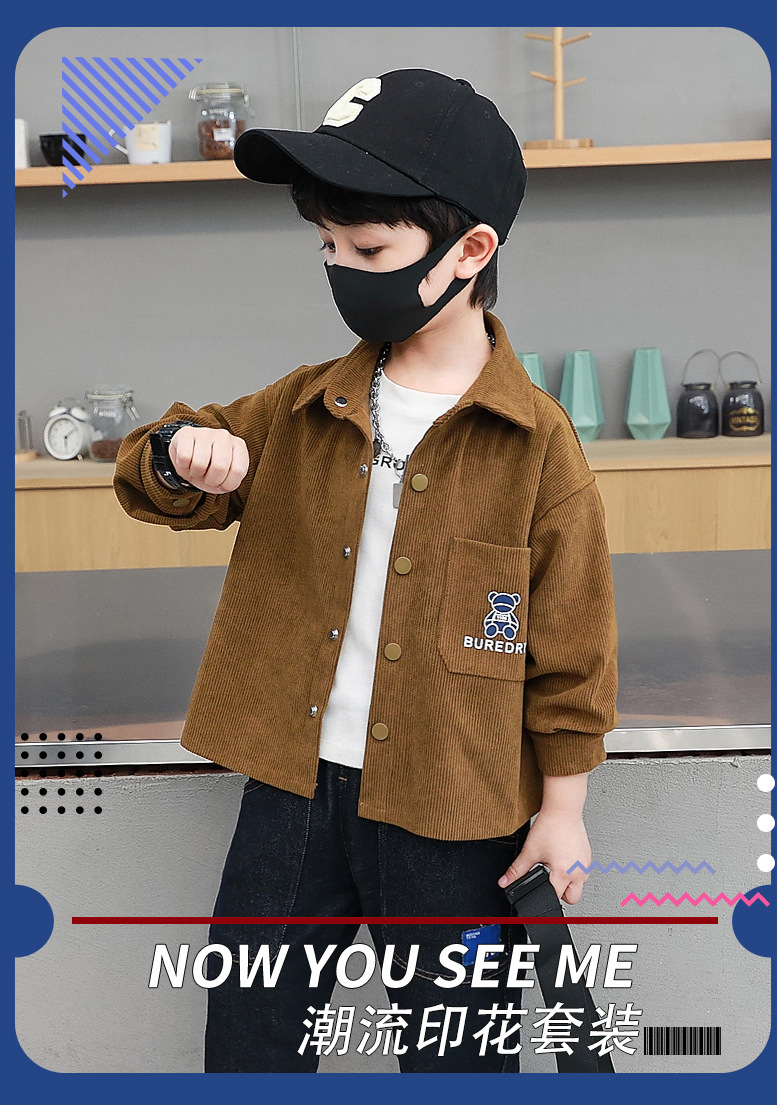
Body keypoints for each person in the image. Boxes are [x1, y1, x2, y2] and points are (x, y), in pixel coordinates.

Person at [113, 68, 619, 1074]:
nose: (343, 269)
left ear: (471, 250)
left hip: (454, 810)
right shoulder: (301, 406)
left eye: (370, 249)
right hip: (291, 792)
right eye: (328, 248)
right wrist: (179, 454)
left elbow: (572, 646)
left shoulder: (537, 446)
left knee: (460, 1055)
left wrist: (562, 814)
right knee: (249, 1041)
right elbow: (153, 473)